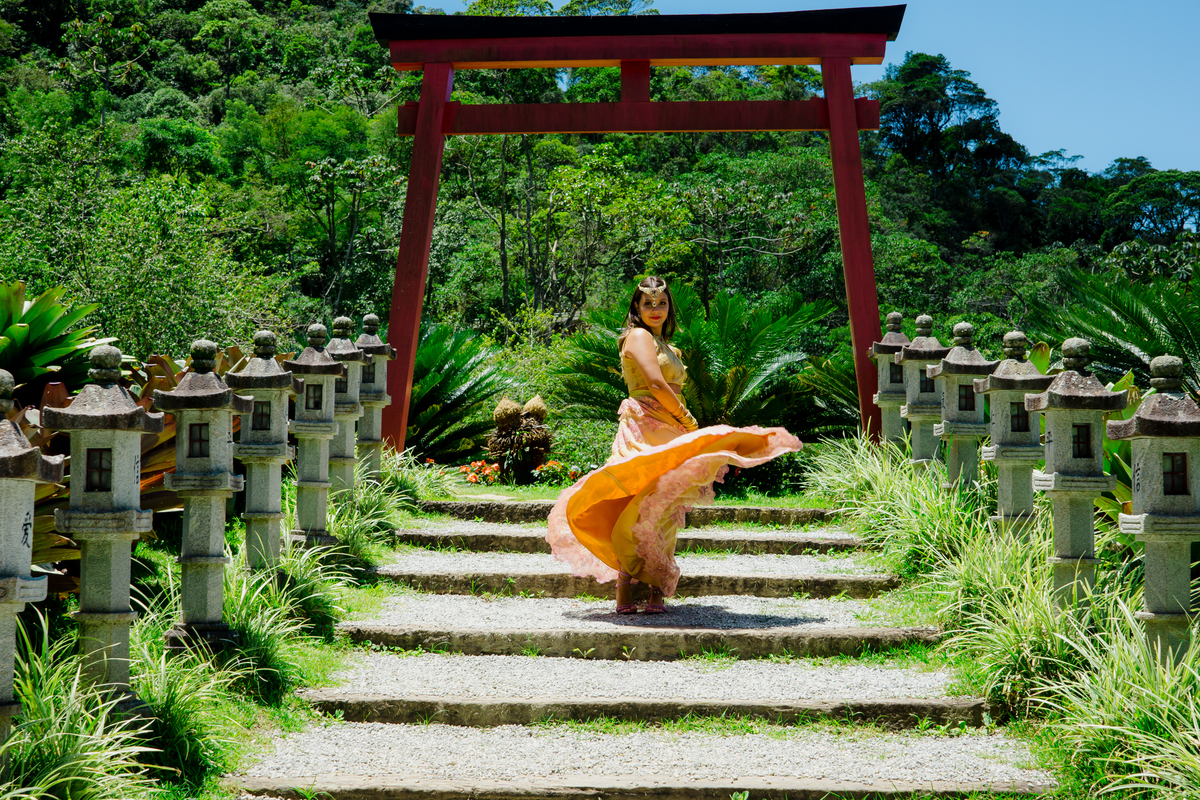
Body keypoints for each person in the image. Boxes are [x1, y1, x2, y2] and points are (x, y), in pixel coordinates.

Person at [546, 276, 802, 614]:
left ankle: (655, 588)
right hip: (645, 426)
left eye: (662, 302)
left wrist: (682, 424)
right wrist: (689, 420)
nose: (655, 309)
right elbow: (653, 382)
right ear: (636, 308)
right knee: (636, 503)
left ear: (670, 308)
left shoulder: (670, 347)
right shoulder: (637, 336)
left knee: (665, 507)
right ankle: (625, 589)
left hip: (671, 428)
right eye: (648, 303)